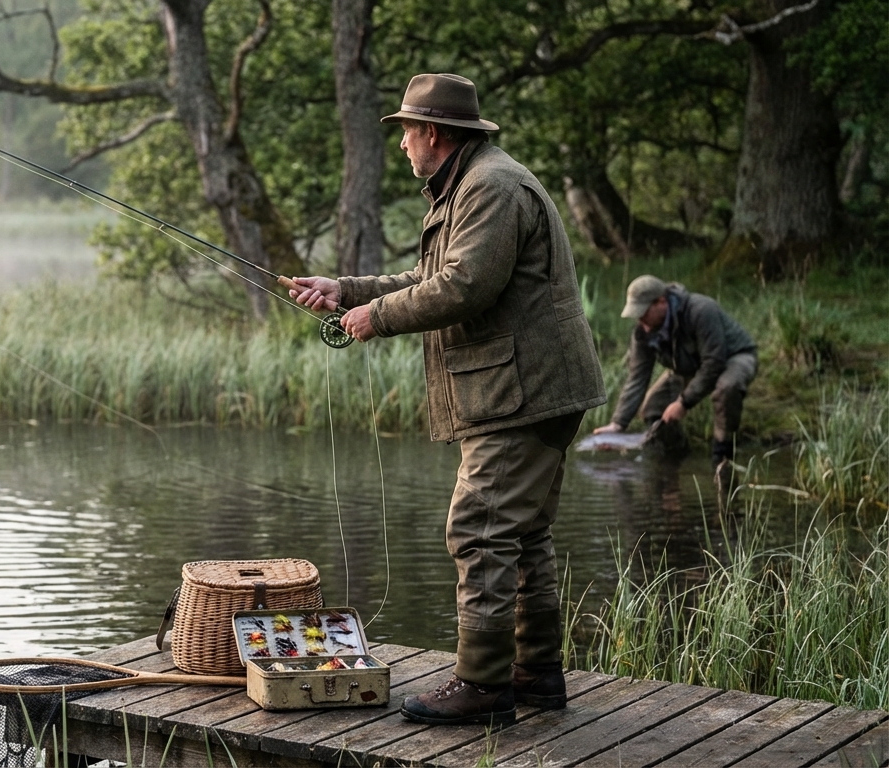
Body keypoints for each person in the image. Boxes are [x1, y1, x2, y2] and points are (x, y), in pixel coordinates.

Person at [289, 73, 605, 726]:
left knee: (480, 530)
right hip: (529, 389)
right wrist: (347, 289)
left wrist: (377, 317)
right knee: (523, 534)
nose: (403, 145)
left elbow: (465, 287)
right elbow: (431, 277)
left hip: (520, 393)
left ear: (432, 133)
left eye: (405, 132)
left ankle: (484, 686)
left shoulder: (489, 185)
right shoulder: (471, 181)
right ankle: (536, 676)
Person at [591, 275, 758, 487]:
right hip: (687, 367)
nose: (639, 320)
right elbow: (637, 377)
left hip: (733, 357)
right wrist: (618, 424)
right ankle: (674, 462)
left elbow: (714, 363)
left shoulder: (701, 310)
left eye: (643, 313)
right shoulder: (643, 332)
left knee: (726, 388)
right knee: (652, 407)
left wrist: (683, 402)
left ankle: (723, 459)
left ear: (661, 302)